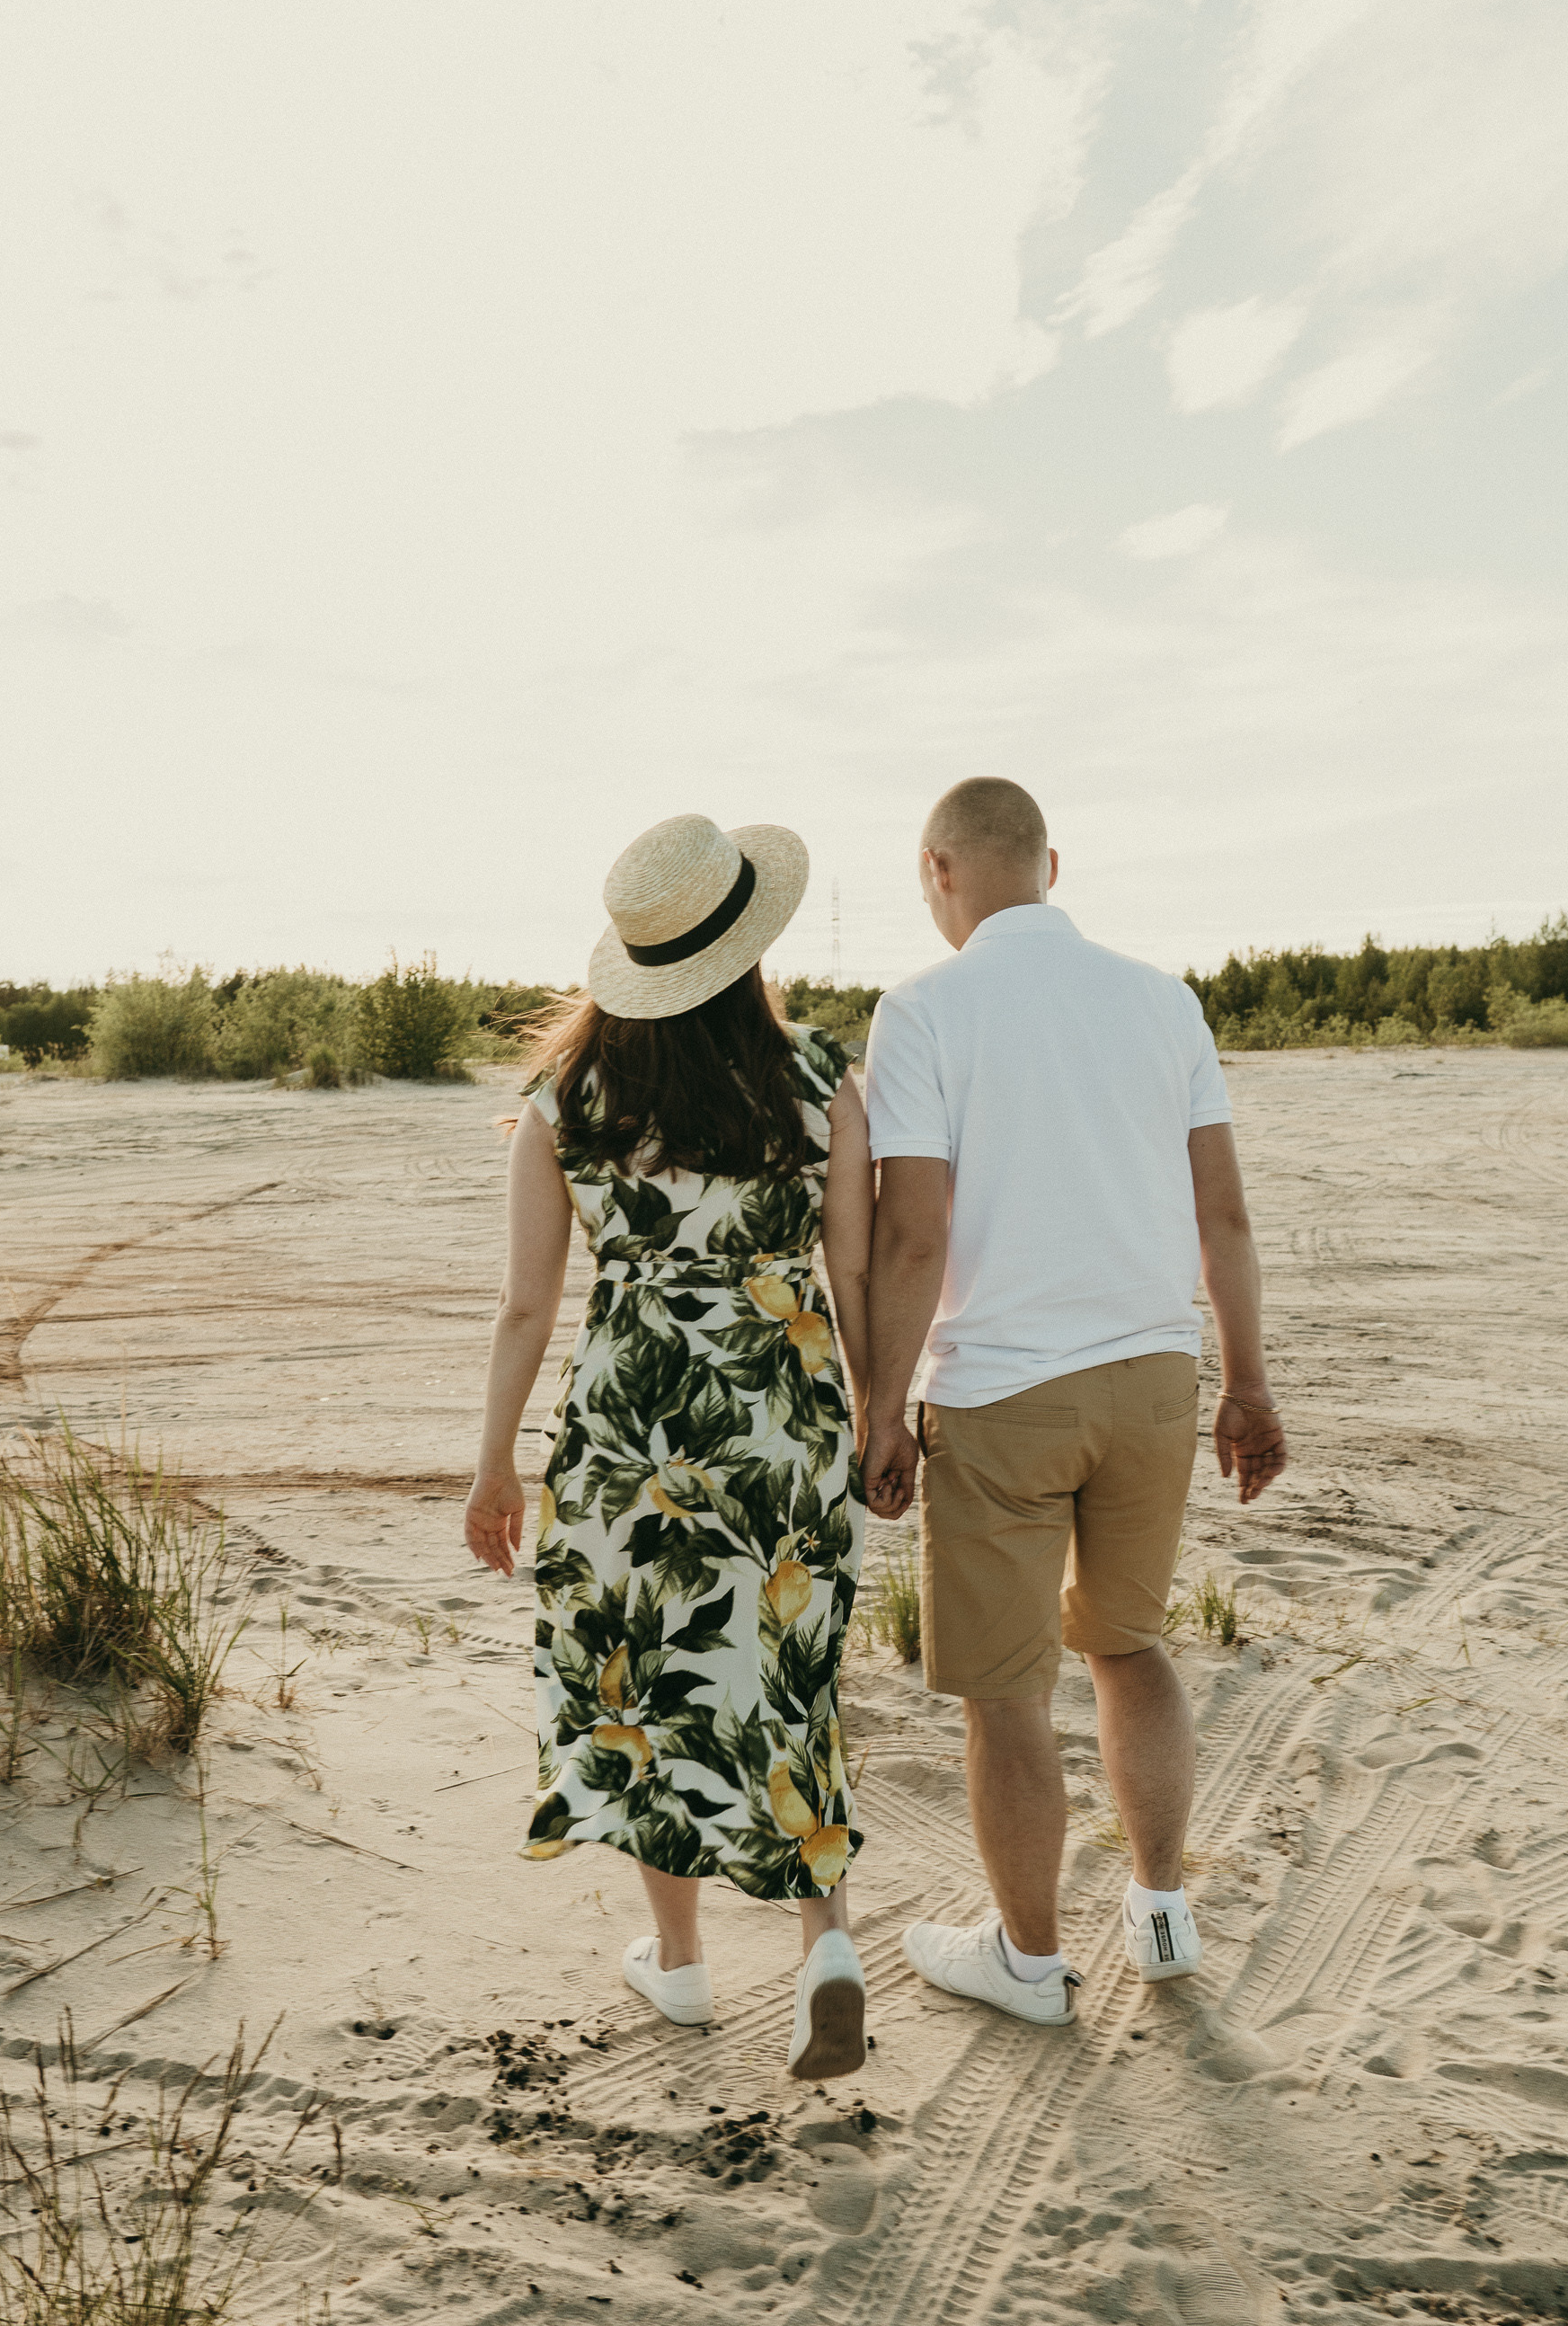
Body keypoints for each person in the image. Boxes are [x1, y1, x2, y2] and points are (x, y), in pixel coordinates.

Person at [859, 777, 1286, 2025]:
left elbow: (912, 1234)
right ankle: (1160, 1908)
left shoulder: (924, 1008)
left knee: (1005, 1692)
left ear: (938, 870)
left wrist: (884, 1410)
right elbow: (1224, 1215)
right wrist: (1246, 1383)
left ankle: (1030, 1965)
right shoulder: (1162, 1001)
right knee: (1127, 1643)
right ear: (1051, 862)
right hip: (1154, 1378)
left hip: (1001, 1391)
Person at [465, 812, 874, 2082]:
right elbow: (854, 1266)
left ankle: (682, 1967)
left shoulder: (567, 1096)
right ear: (747, 945)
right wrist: (883, 1416)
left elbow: (527, 1303)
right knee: (784, 1672)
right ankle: (826, 1947)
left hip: (628, 1426)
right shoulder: (816, 1078)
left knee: (649, 1680)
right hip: (783, 1418)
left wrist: (492, 1466)